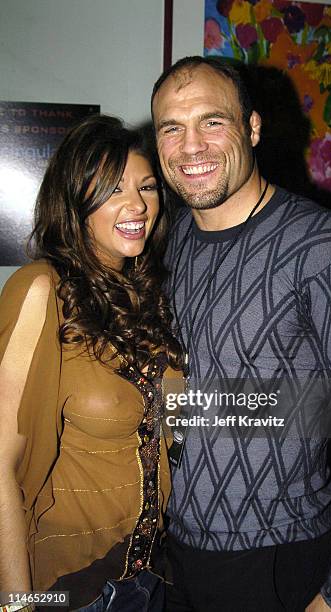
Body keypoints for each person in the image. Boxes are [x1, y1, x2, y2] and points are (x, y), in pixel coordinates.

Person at [151, 57, 331, 611]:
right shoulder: (172, 244)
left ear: (253, 127)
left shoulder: (329, 249)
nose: (191, 145)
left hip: (276, 559)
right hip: (175, 554)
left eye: (212, 122)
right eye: (172, 127)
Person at [0, 115, 183, 611]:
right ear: (74, 199)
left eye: (147, 186)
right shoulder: (42, 289)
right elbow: (1, 463)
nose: (138, 205)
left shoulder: (152, 296)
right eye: (113, 189)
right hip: (73, 588)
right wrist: (16, 603)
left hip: (152, 577)